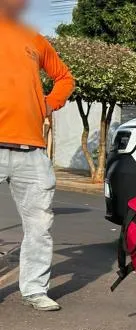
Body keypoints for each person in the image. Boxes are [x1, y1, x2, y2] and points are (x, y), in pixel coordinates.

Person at [0, 0, 75, 311]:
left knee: (39, 225)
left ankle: (34, 289)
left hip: (32, 149)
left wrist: (49, 103)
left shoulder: (35, 39)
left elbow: (65, 79)